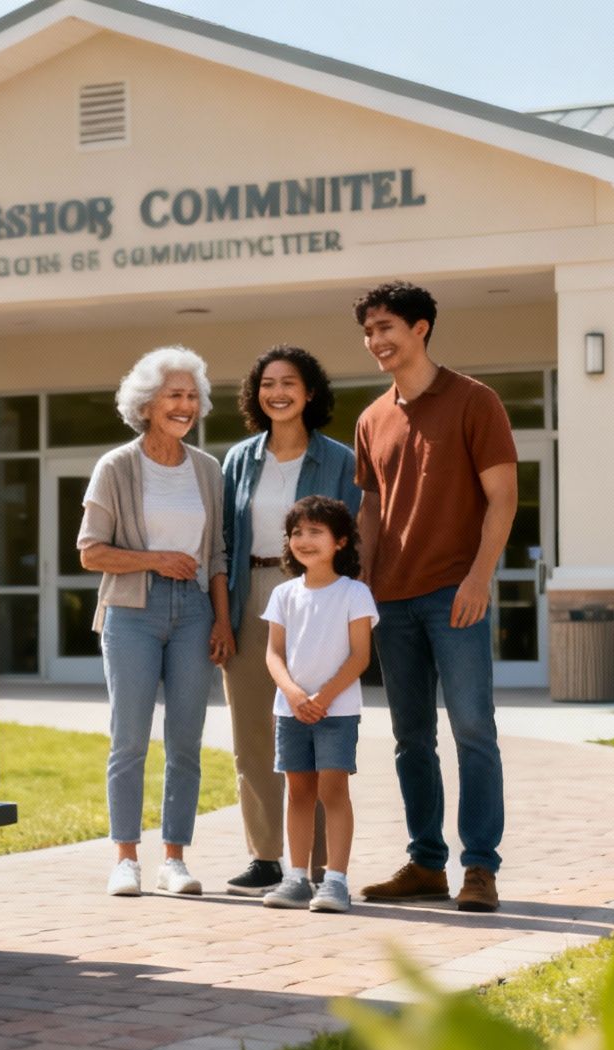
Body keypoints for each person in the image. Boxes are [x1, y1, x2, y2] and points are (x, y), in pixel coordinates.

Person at [350, 281, 517, 914]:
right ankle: (425, 863)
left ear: (421, 328)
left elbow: (502, 496)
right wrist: (363, 585)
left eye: (386, 327)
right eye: (368, 332)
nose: (376, 341)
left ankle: (480, 868)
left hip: (455, 592)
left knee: (474, 729)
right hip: (391, 598)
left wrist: (479, 578)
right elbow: (371, 506)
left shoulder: (476, 401)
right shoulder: (372, 418)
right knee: (410, 737)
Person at [77, 345, 233, 898]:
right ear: (147, 404)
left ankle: (175, 858)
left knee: (186, 741)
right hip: (132, 611)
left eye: (192, 396)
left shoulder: (209, 470)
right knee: (130, 740)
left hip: (193, 611)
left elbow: (216, 554)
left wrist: (222, 620)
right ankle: (125, 858)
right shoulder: (116, 467)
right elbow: (90, 552)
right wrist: (155, 559)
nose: (185, 405)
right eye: (174, 395)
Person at [217, 346, 362, 897]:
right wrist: (221, 617)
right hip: (248, 592)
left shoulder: (340, 460)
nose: (277, 392)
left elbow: (354, 539)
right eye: (267, 383)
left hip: (317, 594)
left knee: (317, 719)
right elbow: (222, 544)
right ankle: (266, 858)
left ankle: (324, 865)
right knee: (252, 731)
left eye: (289, 383)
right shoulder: (237, 460)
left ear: (310, 392)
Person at [256, 496, 377, 913]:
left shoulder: (354, 593)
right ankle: (296, 878)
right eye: (296, 533)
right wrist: (293, 693)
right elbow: (274, 654)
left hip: (336, 711)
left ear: (340, 541)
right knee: (298, 791)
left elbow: (360, 656)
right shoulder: (284, 593)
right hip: (291, 711)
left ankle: (335, 881)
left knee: (333, 790)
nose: (303, 540)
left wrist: (323, 697)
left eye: (315, 532)